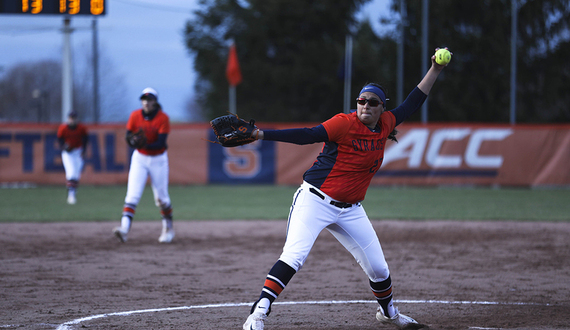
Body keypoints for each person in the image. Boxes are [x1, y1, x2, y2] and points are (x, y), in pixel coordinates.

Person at [241, 48, 450, 330]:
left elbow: (414, 100)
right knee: (294, 256)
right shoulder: (344, 123)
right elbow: (308, 135)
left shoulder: (387, 123)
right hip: (315, 201)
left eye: (372, 102)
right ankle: (258, 313)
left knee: (378, 268)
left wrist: (435, 69)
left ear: (382, 108)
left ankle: (389, 314)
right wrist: (261, 134)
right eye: (361, 100)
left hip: (351, 210)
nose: (365, 105)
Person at [113, 87, 175, 243]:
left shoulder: (163, 118)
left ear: (155, 101)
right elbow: (128, 136)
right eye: (144, 99)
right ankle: (124, 229)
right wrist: (132, 141)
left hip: (158, 159)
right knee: (132, 195)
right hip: (140, 158)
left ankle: (168, 228)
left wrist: (141, 143)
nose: (146, 102)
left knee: (161, 199)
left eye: (150, 99)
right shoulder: (135, 116)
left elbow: (161, 142)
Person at [57, 110, 88, 205]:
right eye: (71, 118)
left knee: (76, 174)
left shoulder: (81, 128)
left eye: (74, 118)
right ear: (68, 119)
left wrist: (84, 150)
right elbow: (60, 139)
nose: (72, 120)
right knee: (71, 173)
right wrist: (64, 147)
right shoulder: (63, 128)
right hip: (68, 153)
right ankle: (71, 195)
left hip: (78, 151)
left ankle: (72, 190)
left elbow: (86, 139)